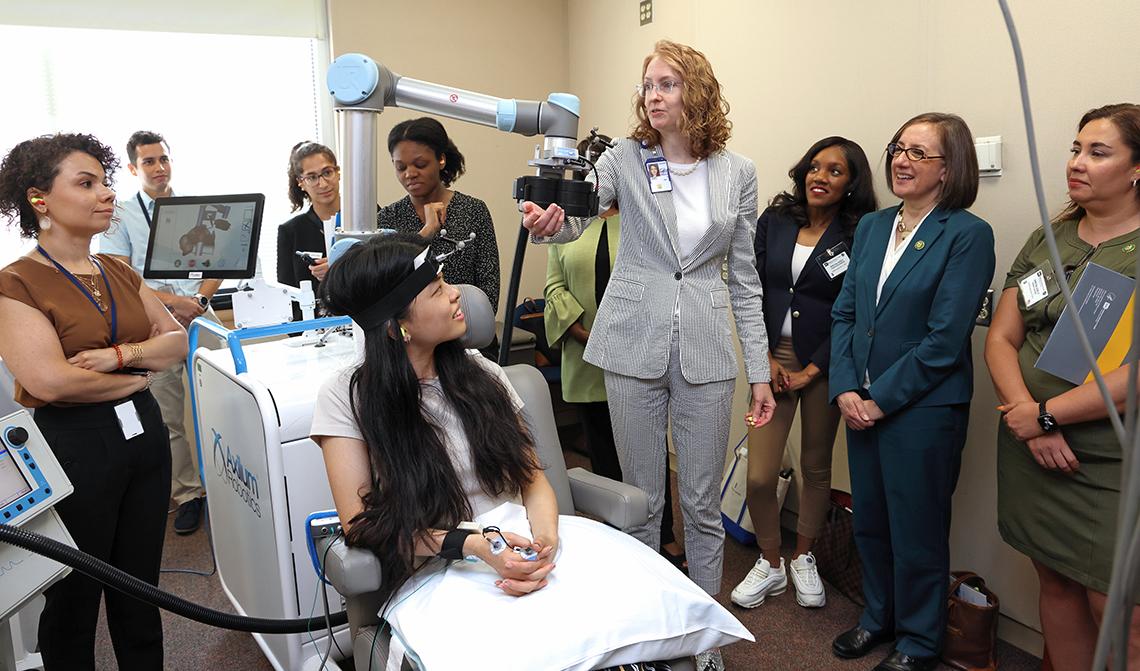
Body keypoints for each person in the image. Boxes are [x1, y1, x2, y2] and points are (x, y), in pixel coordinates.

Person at [523, 39, 777, 671]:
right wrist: (553, 220)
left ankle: (704, 634)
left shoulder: (738, 171)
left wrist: (761, 370)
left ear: (697, 91)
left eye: (667, 83)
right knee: (641, 499)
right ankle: (645, 633)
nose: (653, 95)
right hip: (633, 341)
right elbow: (579, 215)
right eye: (647, 85)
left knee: (700, 504)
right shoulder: (624, 160)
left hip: (707, 352)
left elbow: (743, 278)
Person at [0, 133, 188, 669]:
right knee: (75, 592)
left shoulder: (119, 271)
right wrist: (137, 376)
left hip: (143, 438)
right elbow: (53, 382)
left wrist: (118, 356)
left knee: (141, 587)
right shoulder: (16, 283)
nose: (106, 194)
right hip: (76, 444)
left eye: (104, 182)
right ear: (41, 200)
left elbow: (175, 343)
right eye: (86, 184)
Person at [828, 113, 994, 671]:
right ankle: (879, 618)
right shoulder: (873, 227)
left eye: (919, 153)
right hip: (860, 404)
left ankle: (920, 642)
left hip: (922, 410)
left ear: (951, 170)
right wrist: (847, 387)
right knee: (869, 519)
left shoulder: (968, 235)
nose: (901, 160)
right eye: (899, 148)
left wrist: (880, 398)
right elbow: (846, 312)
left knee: (917, 531)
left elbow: (945, 341)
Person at [985, 102, 1140, 669]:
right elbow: (1001, 338)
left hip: (1107, 460)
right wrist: (1027, 416)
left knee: (1119, 608)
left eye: (1098, 152)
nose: (1077, 162)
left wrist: (1050, 417)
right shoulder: (1050, 237)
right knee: (1055, 584)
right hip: (1029, 444)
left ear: (1136, 169)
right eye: (1076, 149)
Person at [731, 137, 876, 610]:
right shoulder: (775, 221)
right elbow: (747, 287)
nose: (821, 177)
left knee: (816, 468)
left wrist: (814, 370)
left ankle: (803, 556)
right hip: (769, 364)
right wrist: (765, 358)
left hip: (826, 366)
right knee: (759, 476)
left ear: (852, 183)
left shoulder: (861, 234)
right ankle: (771, 564)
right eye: (815, 167)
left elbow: (852, 309)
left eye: (835, 171)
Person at [544, 135, 686, 570]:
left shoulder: (647, 219)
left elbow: (665, 278)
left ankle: (662, 534)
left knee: (647, 452)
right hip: (587, 355)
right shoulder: (569, 225)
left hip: (638, 352)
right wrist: (586, 331)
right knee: (603, 450)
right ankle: (617, 537)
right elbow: (553, 287)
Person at [98, 130, 212, 534]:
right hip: (155, 325)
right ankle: (188, 495)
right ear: (133, 168)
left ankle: (223, 488)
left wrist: (195, 301)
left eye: (163, 159)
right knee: (170, 419)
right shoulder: (121, 216)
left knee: (219, 408)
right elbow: (121, 277)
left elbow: (215, 263)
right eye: (149, 161)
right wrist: (175, 305)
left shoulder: (196, 207)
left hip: (201, 316)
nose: (159, 167)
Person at [378, 117, 500, 313]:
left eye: (420, 164)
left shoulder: (473, 210)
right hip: (413, 338)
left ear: (441, 159)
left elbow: (489, 289)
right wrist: (425, 233)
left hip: (468, 329)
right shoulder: (388, 218)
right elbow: (387, 286)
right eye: (401, 167)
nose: (409, 174)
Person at [277, 141, 339, 292]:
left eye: (327, 172)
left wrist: (338, 270)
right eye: (312, 177)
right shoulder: (291, 231)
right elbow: (287, 294)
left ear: (338, 172)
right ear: (301, 183)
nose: (323, 184)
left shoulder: (367, 215)